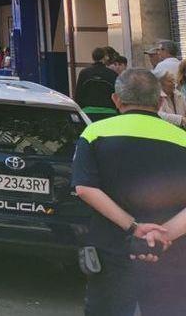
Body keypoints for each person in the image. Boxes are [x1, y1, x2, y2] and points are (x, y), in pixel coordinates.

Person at [72, 68, 186, 315]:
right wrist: (162, 236)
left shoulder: (94, 133)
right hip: (172, 256)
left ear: (116, 99)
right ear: (159, 102)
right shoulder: (182, 139)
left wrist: (134, 227)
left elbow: (85, 189)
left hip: (111, 251)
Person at [77, 46, 120, 122]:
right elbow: (117, 93)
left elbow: (78, 93)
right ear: (105, 57)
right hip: (109, 112)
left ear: (93, 57)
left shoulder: (84, 73)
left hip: (88, 112)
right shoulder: (112, 74)